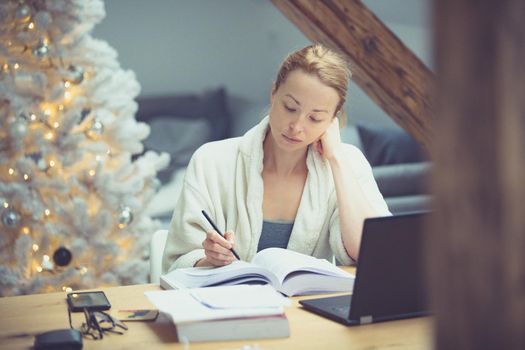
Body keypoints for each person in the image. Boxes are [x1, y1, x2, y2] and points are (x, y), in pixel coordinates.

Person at [162, 43, 390, 272]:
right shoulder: (211, 161)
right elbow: (178, 261)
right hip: (225, 305)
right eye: (290, 107)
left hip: (300, 308)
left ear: (332, 120)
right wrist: (208, 258)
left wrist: (337, 161)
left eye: (315, 118)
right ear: (274, 93)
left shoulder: (348, 163)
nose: (297, 126)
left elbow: (374, 253)